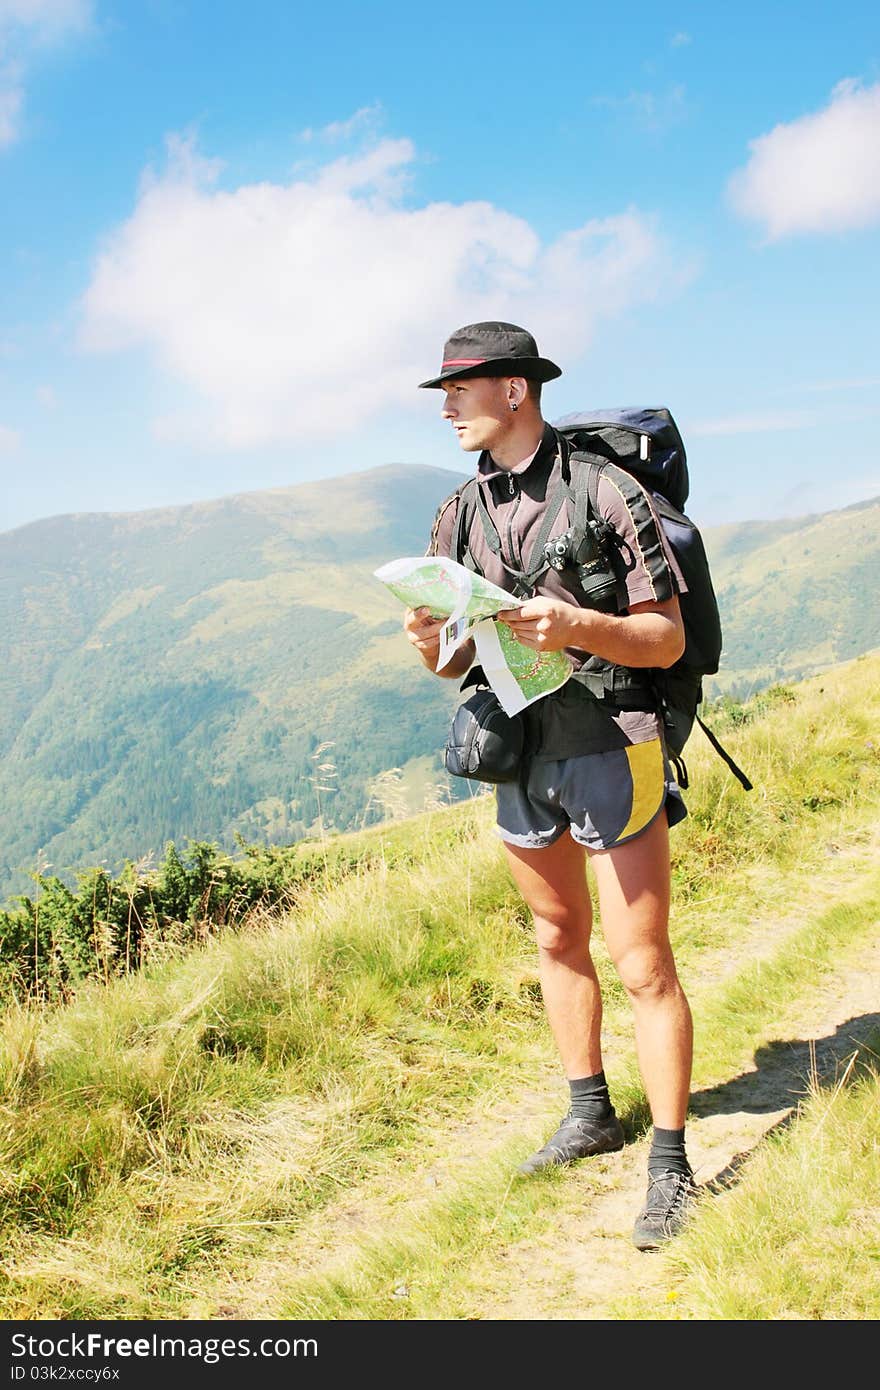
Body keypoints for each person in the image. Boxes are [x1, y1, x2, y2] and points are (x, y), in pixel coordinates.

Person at [403, 321, 696, 1251]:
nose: (448, 405)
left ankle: (671, 1163)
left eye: (462, 388)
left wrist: (575, 625)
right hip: (520, 753)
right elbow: (459, 659)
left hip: (613, 741)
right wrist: (430, 649)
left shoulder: (608, 492)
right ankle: (588, 1114)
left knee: (642, 959)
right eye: (445, 392)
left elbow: (666, 639)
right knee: (556, 935)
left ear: (516, 390)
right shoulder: (457, 515)